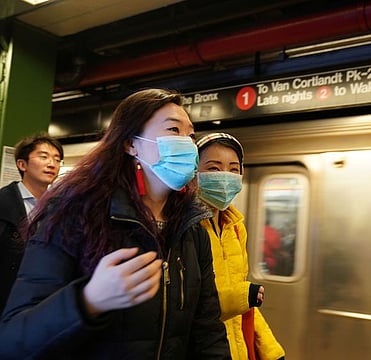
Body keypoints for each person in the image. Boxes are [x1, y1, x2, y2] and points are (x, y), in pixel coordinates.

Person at [0, 89, 231, 360]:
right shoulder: (76, 214)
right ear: (130, 144)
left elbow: (208, 331)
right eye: (173, 130)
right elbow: (13, 339)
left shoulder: (191, 225)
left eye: (190, 135)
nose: (188, 144)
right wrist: (89, 300)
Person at [196, 132, 285, 360]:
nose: (225, 176)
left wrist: (271, 351)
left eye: (233, 169)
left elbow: (245, 307)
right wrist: (245, 296)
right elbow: (193, 306)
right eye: (214, 169)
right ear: (194, 173)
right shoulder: (189, 229)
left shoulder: (235, 228)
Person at [0, 132, 64, 315]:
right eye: (43, 157)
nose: (52, 164)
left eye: (57, 159)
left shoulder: (60, 207)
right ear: (22, 164)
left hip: (40, 301)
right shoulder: (3, 203)